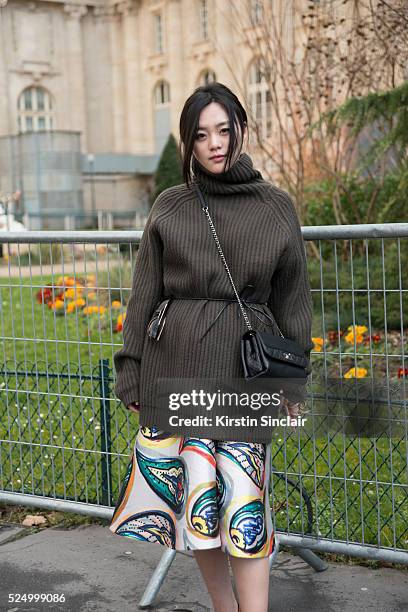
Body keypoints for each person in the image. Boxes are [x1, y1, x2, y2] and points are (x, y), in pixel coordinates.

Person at [108, 82, 313, 612]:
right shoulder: (171, 206)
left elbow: (293, 299)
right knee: (198, 507)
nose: (215, 144)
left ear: (241, 129)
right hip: (177, 368)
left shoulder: (275, 207)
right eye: (202, 136)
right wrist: (129, 372)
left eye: (224, 130)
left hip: (246, 374)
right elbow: (143, 296)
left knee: (245, 505)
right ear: (188, 145)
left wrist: (294, 380)